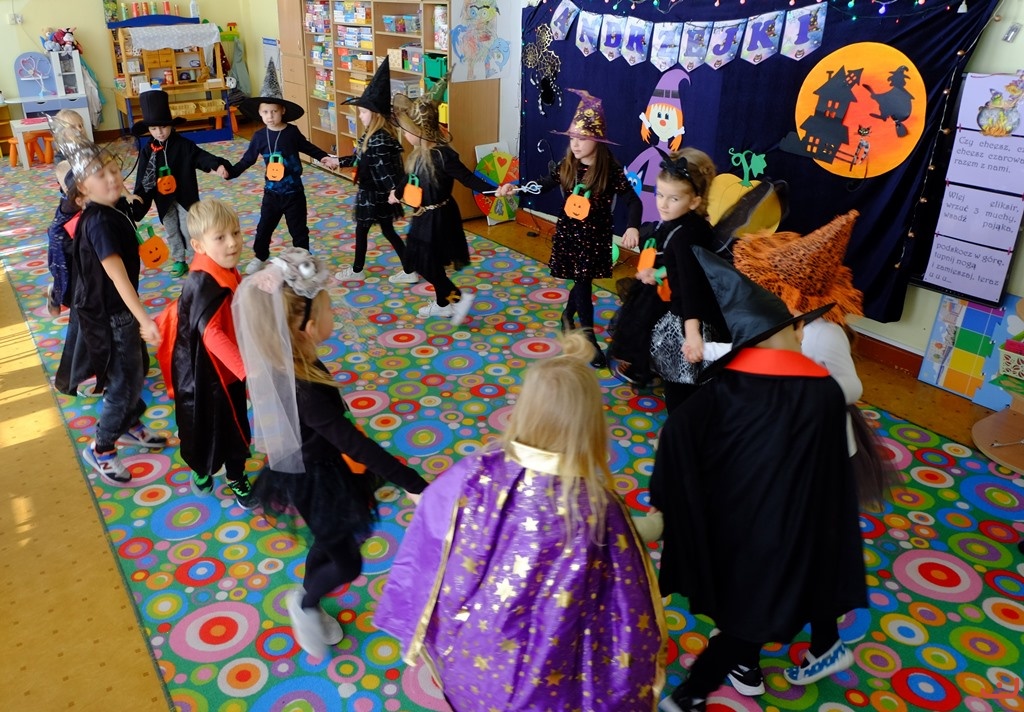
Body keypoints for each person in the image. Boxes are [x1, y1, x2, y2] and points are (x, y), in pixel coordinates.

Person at [375, 331, 666, 711]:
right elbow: (622, 592)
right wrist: (655, 526)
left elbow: (432, 522)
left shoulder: (477, 471)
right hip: (545, 669)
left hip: (473, 651)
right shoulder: (595, 506)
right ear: (591, 426)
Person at [652, 247, 866, 712]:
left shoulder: (720, 394)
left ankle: (693, 694)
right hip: (792, 527)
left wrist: (670, 502)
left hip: (749, 527)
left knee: (748, 614)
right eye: (797, 328)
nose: (802, 333)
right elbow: (828, 476)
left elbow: (677, 438)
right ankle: (702, 689)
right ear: (788, 332)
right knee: (754, 611)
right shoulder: (819, 394)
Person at [231, 248, 429, 659]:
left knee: (328, 541)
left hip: (322, 467)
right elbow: (351, 440)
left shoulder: (297, 362)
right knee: (348, 563)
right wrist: (412, 484)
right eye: (327, 308)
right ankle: (305, 603)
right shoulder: (305, 387)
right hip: (316, 478)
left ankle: (310, 596)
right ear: (306, 327)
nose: (333, 313)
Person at [731, 210, 897, 686]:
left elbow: (851, 388)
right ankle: (824, 644)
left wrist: (798, 391)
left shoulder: (821, 333)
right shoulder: (786, 326)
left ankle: (745, 657)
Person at [53, 125, 169, 484]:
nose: (112, 177)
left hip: (114, 310)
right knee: (124, 381)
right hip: (110, 315)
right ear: (82, 190)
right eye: (101, 175)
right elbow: (118, 278)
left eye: (114, 170)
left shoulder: (114, 207)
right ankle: (102, 448)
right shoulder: (99, 222)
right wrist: (145, 320)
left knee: (130, 374)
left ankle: (130, 422)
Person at [502, 88, 641, 368]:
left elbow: (633, 201)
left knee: (582, 282)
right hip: (570, 234)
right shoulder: (567, 165)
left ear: (597, 140)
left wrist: (633, 227)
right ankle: (589, 338)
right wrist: (516, 188)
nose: (575, 144)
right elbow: (543, 185)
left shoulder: (610, 170)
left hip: (595, 236)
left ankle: (569, 316)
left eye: (582, 138)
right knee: (582, 283)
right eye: (572, 138)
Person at [154, 198, 257, 509]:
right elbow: (212, 335)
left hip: (227, 372)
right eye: (220, 237)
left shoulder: (223, 268)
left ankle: (236, 474)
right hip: (203, 374)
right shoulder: (204, 282)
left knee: (236, 425)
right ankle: (201, 468)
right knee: (200, 424)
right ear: (198, 245)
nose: (233, 243)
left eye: (236, 233)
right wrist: (247, 370)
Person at [610, 148, 723, 399]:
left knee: (674, 365)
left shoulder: (684, 237)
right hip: (671, 290)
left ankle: (656, 378)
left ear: (694, 201)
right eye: (659, 194)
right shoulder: (690, 222)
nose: (662, 204)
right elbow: (679, 268)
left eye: (673, 198)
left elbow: (689, 287)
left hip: (683, 312)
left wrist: (692, 335)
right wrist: (658, 272)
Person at [388, 76, 501, 326]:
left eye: (407, 131)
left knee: (424, 263)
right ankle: (442, 305)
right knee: (427, 260)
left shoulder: (443, 156)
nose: (405, 135)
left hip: (439, 217)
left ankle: (456, 298)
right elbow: (408, 178)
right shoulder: (418, 154)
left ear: (420, 131)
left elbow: (469, 179)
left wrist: (495, 191)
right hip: (423, 214)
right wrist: (396, 192)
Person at [223, 67, 340, 275]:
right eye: (265, 112)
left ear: (282, 111)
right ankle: (260, 256)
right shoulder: (259, 137)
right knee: (264, 228)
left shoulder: (291, 132)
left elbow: (308, 147)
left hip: (294, 193)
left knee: (299, 230)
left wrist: (324, 157)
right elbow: (247, 160)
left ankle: (304, 261)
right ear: (259, 113)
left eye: (274, 111)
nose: (270, 116)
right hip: (272, 193)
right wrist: (231, 172)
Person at [130, 89, 232, 278]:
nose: (159, 132)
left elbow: (200, 156)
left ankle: (196, 259)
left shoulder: (183, 145)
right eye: (153, 129)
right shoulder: (147, 152)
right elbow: (143, 179)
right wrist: (137, 202)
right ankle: (179, 259)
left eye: (163, 127)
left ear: (171, 124)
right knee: (171, 230)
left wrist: (217, 165)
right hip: (163, 200)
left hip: (185, 196)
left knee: (188, 229)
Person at [333, 58, 414, 285]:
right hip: (375, 194)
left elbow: (386, 172)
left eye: (362, 112)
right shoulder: (371, 135)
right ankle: (409, 269)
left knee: (364, 230)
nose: (359, 116)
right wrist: (337, 161)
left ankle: (358, 269)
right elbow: (359, 158)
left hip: (375, 196)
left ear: (375, 114)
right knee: (386, 230)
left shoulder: (379, 140)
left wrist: (395, 191)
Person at [45, 160, 84, 317]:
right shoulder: (70, 202)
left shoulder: (73, 196)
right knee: (64, 278)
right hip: (62, 245)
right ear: (63, 186)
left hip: (71, 241)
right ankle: (54, 298)